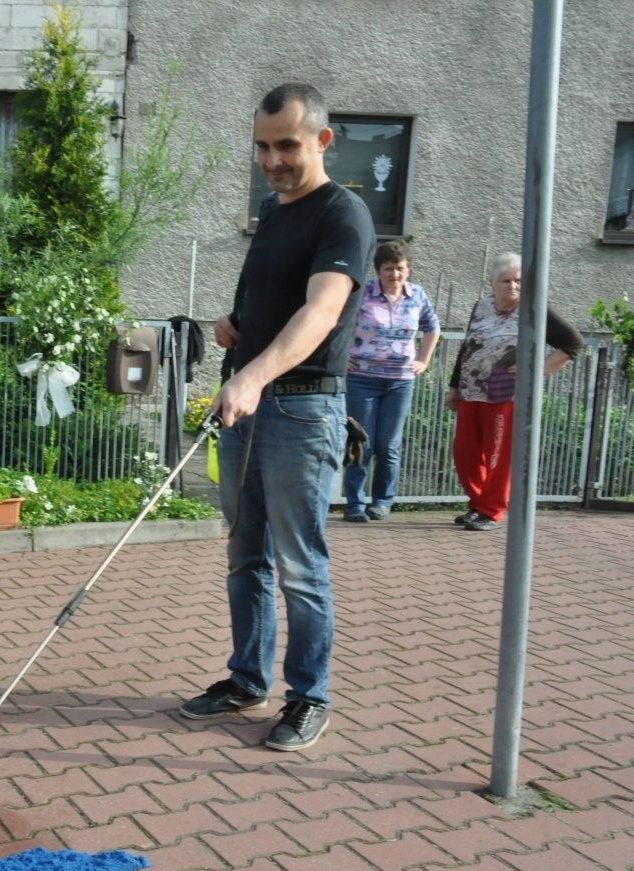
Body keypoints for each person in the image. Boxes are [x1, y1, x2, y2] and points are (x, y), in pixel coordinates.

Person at [180, 82, 375, 752]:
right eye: (262, 146)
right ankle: (245, 680)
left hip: (303, 409)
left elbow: (321, 311)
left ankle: (308, 697)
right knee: (245, 555)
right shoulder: (273, 212)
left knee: (299, 564)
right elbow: (275, 296)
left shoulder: (342, 215)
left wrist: (256, 377)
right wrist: (237, 326)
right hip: (251, 404)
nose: (271, 160)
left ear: (322, 140)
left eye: (286, 145)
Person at [447, 252, 584, 530]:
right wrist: (453, 386)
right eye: (506, 281)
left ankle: (491, 510)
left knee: (498, 457)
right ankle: (477, 503)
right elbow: (469, 346)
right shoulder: (482, 305)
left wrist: (536, 370)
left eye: (519, 281)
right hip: (471, 393)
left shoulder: (534, 308)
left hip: (504, 396)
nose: (513, 286)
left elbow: (573, 343)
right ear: (493, 283)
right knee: (465, 456)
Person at [342, 240, 441, 522]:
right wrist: (340, 357)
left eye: (400, 268)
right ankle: (354, 504)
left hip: (400, 382)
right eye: (388, 269)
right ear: (378, 270)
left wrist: (423, 360)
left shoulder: (418, 296)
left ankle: (383, 501)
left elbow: (432, 328)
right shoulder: (362, 294)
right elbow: (334, 322)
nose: (394, 274)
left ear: (408, 270)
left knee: (389, 445)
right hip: (362, 379)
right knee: (362, 442)